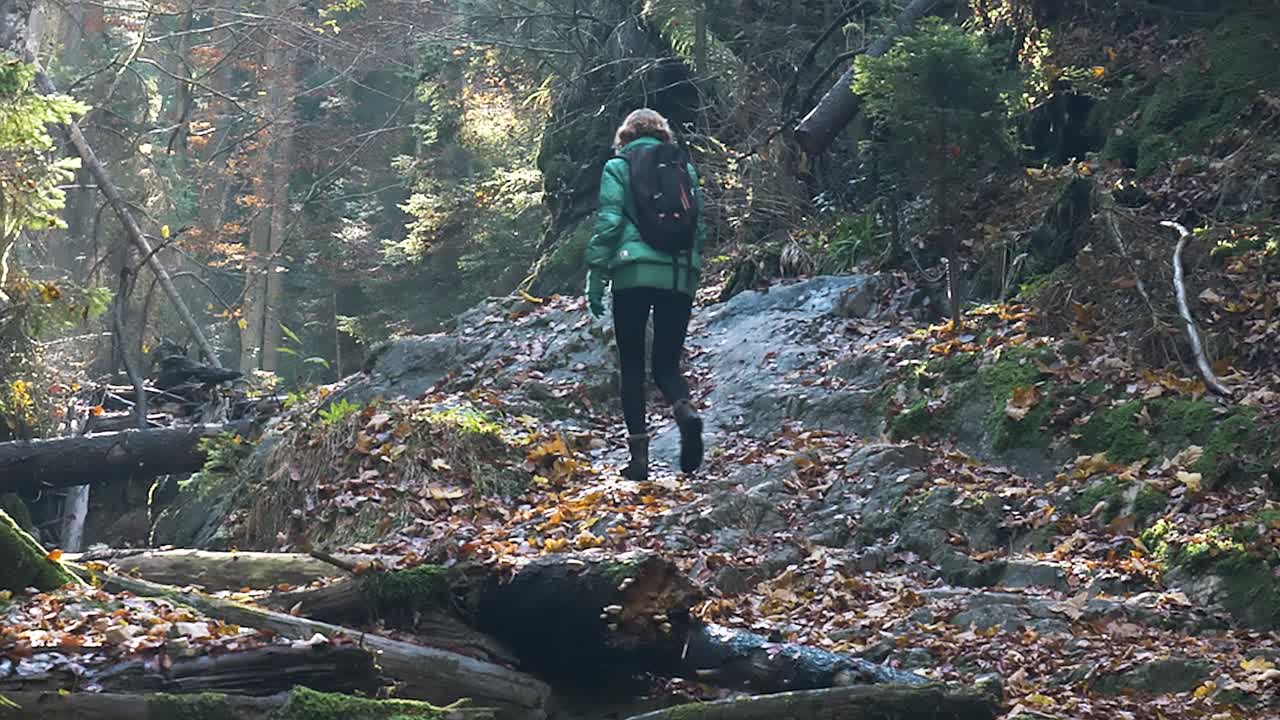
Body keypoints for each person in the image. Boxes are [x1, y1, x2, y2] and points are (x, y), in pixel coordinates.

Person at [584, 108, 706, 481]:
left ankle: (639, 459)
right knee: (667, 364)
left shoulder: (618, 166)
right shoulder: (683, 168)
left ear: (625, 136)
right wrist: (692, 272)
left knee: (633, 367)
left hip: (632, 273)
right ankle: (684, 410)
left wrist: (596, 274)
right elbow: (697, 225)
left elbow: (609, 222)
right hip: (678, 275)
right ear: (663, 134)